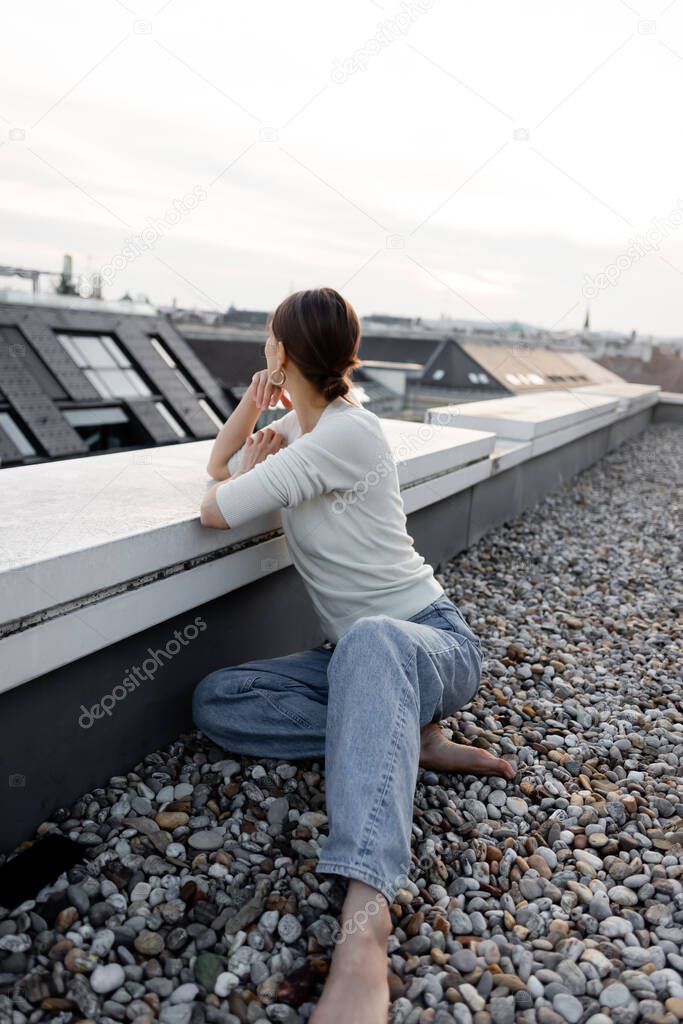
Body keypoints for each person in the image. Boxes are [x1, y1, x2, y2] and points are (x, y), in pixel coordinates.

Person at [193, 287, 515, 1024]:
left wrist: (255, 451)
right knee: (218, 698)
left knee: (370, 639)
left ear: (280, 352)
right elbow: (219, 470)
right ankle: (405, 736)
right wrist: (254, 408)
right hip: (357, 659)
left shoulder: (344, 435)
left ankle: (364, 925)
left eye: (268, 347)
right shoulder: (296, 435)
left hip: (432, 641)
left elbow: (215, 507)